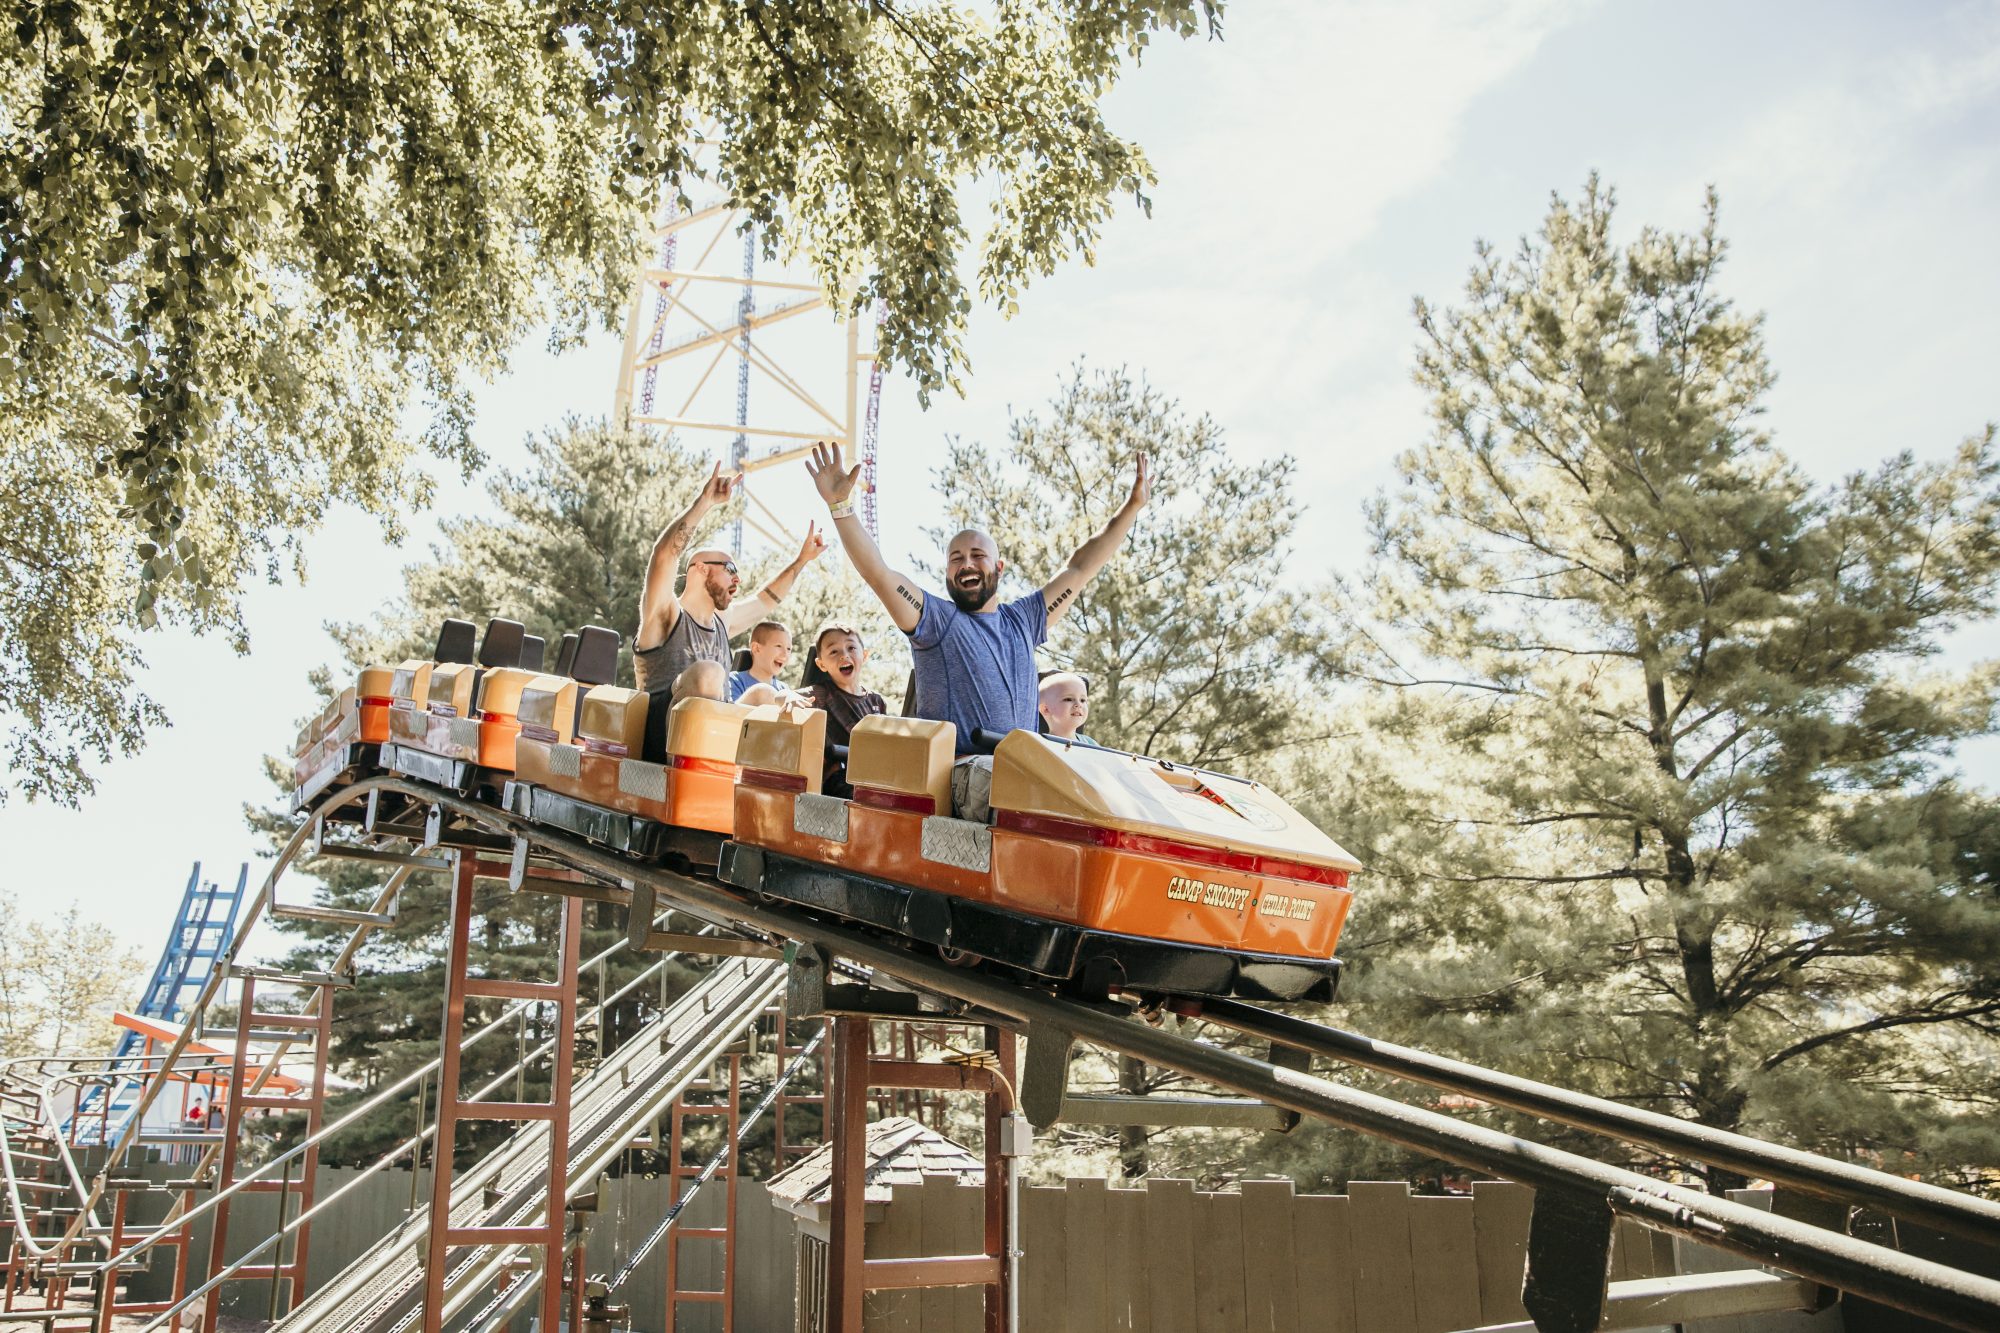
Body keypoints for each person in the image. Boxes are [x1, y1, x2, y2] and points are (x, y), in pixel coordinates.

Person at [806, 440, 1149, 817]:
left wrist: (1131, 509)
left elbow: (1080, 569)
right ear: (948, 573)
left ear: (998, 568)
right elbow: (879, 573)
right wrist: (841, 508)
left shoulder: (1025, 620)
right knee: (1030, 791)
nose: (966, 563)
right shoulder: (935, 621)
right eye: (956, 558)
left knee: (1105, 790)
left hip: (1021, 770)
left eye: (977, 556)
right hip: (966, 773)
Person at [634, 463, 826, 754]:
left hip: (715, 736)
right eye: (729, 569)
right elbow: (665, 555)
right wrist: (705, 502)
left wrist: (801, 561)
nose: (737, 578)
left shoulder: (723, 622)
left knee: (765, 693)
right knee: (709, 672)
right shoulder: (665, 615)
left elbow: (767, 599)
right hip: (660, 741)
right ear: (699, 569)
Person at [794, 621, 888, 797]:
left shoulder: (876, 701)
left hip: (872, 775)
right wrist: (786, 696)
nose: (844, 656)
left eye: (851, 648)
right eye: (834, 651)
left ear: (865, 655)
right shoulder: (821, 694)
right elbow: (784, 697)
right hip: (838, 777)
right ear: (821, 665)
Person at [728, 621, 793, 701]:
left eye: (789, 649)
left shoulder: (784, 689)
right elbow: (731, 711)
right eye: (778, 646)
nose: (785, 654)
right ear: (756, 648)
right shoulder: (735, 681)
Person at [1037, 670, 1097, 746]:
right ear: (1046, 709)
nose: (1078, 704)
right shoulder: (1041, 746)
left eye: (1082, 700)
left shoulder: (1091, 744)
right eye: (1068, 699)